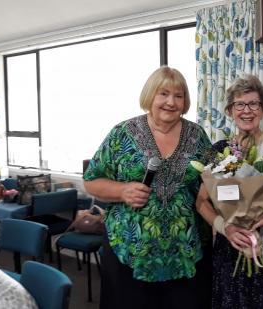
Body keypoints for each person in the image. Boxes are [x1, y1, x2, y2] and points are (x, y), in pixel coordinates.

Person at [83, 66, 212, 309]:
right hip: (130, 251)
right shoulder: (122, 133)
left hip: (186, 252)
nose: (171, 102)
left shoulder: (197, 135)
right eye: (163, 94)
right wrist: (122, 191)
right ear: (150, 95)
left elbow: (212, 183)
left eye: (179, 95)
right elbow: (91, 180)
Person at [196, 75, 263, 309]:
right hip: (231, 244)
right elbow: (201, 202)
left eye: (254, 104)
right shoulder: (218, 151)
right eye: (239, 104)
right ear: (229, 110)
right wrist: (224, 227)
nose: (247, 110)